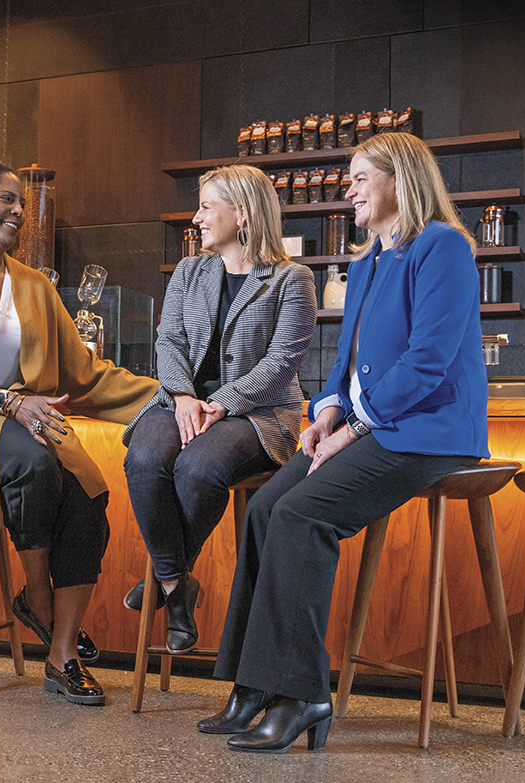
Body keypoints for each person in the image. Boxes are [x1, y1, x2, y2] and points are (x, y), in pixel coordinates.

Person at [203, 132, 489, 753]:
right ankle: (254, 684)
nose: (348, 189)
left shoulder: (441, 247)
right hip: (371, 425)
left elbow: (429, 360)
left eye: (360, 178)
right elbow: (345, 364)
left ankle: (301, 693)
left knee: (302, 515)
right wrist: (328, 411)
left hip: (429, 431)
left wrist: (357, 427)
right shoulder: (365, 263)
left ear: (400, 181)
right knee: (265, 509)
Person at [0, 157, 159, 706]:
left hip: (27, 421)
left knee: (89, 494)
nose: (19, 209)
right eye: (5, 198)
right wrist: (10, 402)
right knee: (35, 462)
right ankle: (39, 598)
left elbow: (84, 375)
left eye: (21, 201)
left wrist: (168, 399)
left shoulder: (35, 286)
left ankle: (62, 654)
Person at [121, 165, 316, 654]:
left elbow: (282, 362)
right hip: (182, 399)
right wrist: (184, 396)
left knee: (198, 467)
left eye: (207, 206)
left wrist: (221, 404)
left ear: (243, 213)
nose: (197, 217)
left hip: (257, 412)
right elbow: (169, 341)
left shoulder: (292, 279)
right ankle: (178, 586)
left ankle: (165, 578)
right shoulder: (189, 272)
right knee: (143, 459)